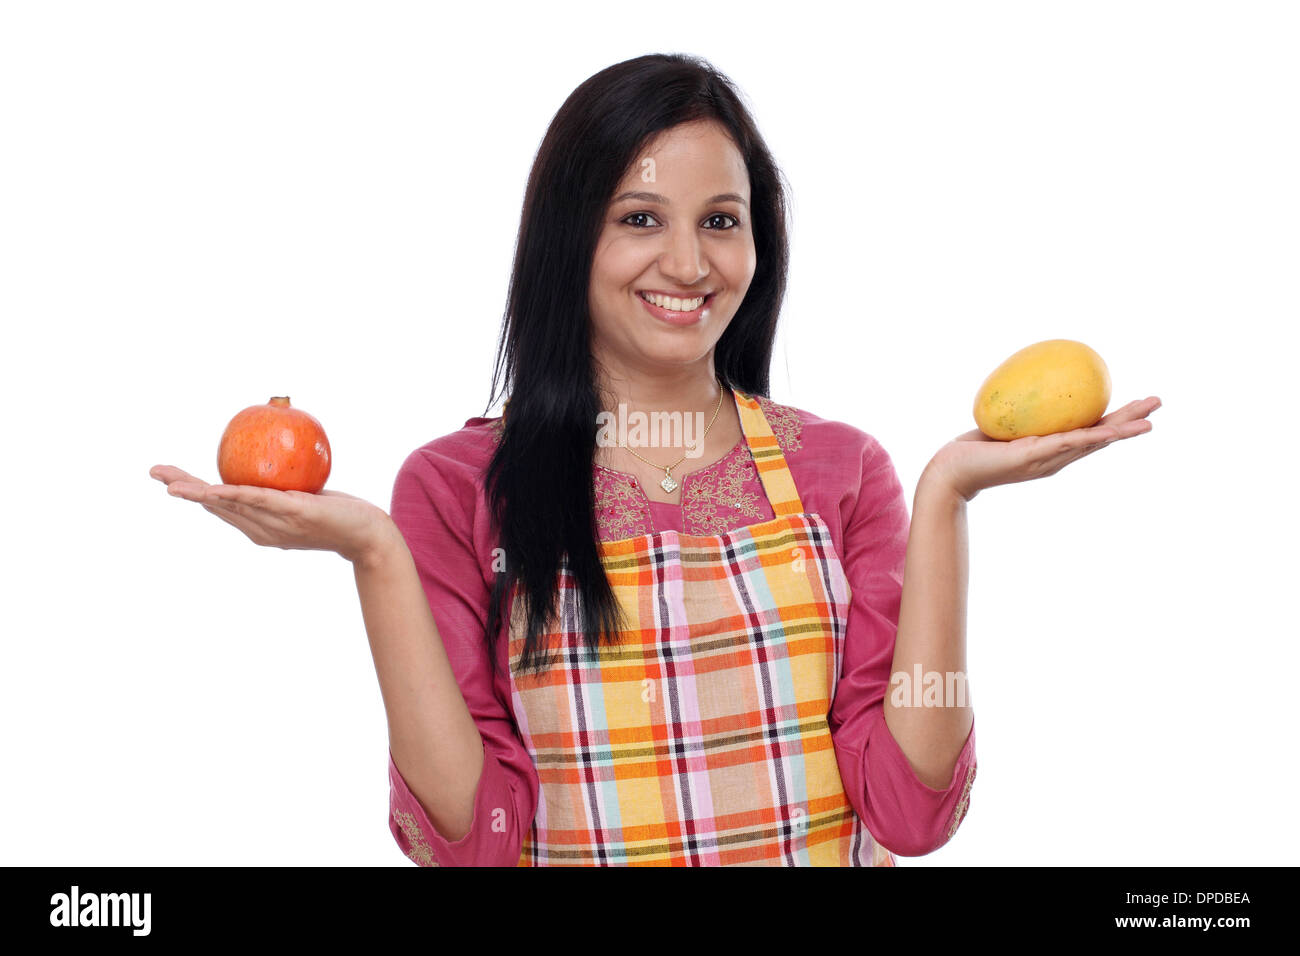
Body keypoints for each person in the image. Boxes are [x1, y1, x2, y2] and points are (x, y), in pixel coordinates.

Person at [150, 53, 1160, 866]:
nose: (689, 264)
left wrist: (948, 495)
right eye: (641, 219)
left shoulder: (842, 470)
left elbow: (909, 814)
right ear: (567, 238)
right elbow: (474, 841)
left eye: (720, 221)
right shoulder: (458, 488)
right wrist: (372, 553)